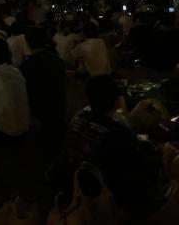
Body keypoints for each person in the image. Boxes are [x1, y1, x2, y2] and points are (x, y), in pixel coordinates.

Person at [66, 75, 165, 217]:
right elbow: (135, 163)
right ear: (116, 102)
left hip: (76, 177)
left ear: (87, 98)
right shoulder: (118, 133)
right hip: (105, 190)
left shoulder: (78, 117)